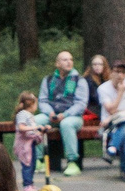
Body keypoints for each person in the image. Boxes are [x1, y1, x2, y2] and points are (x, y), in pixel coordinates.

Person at [36, 50, 89, 179]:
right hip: (51, 114)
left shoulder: (79, 80)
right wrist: (50, 113)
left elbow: (81, 104)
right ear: (57, 63)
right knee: (34, 121)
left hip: (72, 116)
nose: (69, 62)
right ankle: (39, 160)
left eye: (70, 59)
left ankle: (72, 162)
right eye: (65, 60)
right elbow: (42, 100)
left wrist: (65, 114)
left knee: (66, 124)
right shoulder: (48, 80)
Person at [97, 59, 125, 182]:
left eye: (123, 72)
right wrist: (120, 93)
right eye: (117, 72)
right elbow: (111, 109)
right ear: (111, 73)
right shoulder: (103, 89)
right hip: (111, 126)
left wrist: (114, 116)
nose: (120, 75)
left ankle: (112, 149)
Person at [12, 90, 50, 182]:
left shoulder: (29, 115)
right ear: (32, 104)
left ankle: (30, 184)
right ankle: (27, 186)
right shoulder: (22, 114)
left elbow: (31, 131)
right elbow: (21, 127)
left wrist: (43, 129)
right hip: (24, 146)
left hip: (30, 144)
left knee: (32, 165)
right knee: (28, 165)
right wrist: (36, 127)